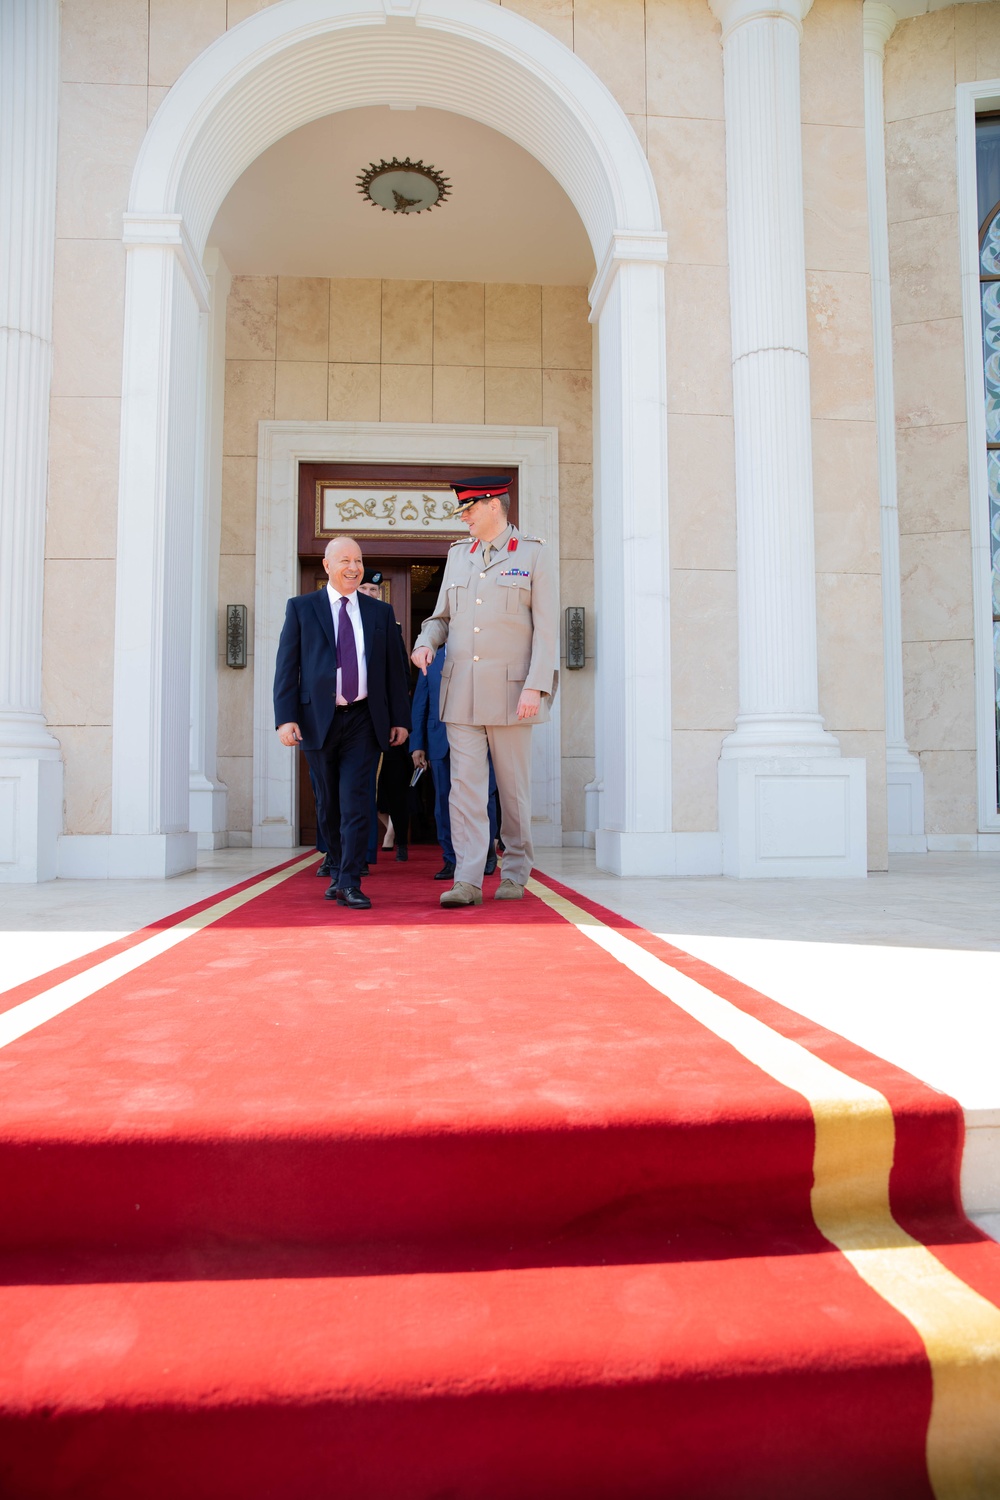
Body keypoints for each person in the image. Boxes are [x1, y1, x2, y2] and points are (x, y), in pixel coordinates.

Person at [411, 476, 557, 907]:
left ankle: (514, 872)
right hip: (461, 695)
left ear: (495, 505)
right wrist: (425, 642)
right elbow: (440, 618)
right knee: (466, 791)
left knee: (512, 792)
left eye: (470, 508)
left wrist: (536, 687)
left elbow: (547, 633)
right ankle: (468, 879)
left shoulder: (533, 554)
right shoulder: (459, 556)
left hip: (514, 695)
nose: (464, 516)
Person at [273, 536, 410, 910]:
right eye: (345, 560)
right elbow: (287, 667)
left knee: (355, 800)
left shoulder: (378, 613)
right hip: (319, 720)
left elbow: (393, 673)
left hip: (364, 718)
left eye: (359, 560)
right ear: (327, 565)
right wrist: (285, 719)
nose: (354, 567)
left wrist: (400, 719)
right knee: (328, 803)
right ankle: (335, 866)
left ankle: (349, 880)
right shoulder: (302, 609)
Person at [411, 645, 499, 881]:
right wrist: (417, 744)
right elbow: (421, 703)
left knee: (484, 796)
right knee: (443, 802)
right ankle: (451, 859)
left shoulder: (481, 651)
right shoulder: (430, 658)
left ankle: (486, 854)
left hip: (479, 738)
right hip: (440, 740)